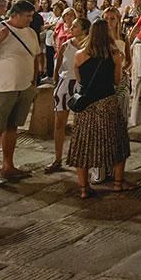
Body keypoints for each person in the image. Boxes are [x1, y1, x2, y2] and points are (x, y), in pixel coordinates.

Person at [0, 0, 43, 189]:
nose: (31, 19)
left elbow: (35, 56)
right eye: (28, 16)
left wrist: (34, 81)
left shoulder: (30, 32)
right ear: (14, 15)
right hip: (0, 88)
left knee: (12, 127)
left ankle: (8, 165)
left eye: (32, 15)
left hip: (23, 87)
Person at [67, 19, 130, 199]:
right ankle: (118, 183)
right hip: (107, 102)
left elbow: (79, 80)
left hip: (86, 106)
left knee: (83, 146)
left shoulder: (80, 54)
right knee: (117, 143)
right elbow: (117, 81)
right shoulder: (115, 55)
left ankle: (84, 188)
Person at [47, 16, 89, 174]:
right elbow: (57, 67)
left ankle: (80, 159)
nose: (71, 28)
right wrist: (56, 83)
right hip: (65, 84)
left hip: (81, 86)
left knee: (81, 125)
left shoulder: (89, 47)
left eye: (76, 26)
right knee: (59, 123)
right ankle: (57, 158)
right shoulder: (66, 45)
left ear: (84, 30)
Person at [42, 1, 64, 83]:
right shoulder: (51, 17)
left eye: (57, 9)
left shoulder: (61, 19)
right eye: (54, 8)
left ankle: (56, 76)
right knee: (49, 59)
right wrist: (51, 26)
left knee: (56, 59)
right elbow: (45, 26)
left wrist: (50, 26)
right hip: (48, 40)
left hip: (56, 41)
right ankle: (49, 75)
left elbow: (57, 28)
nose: (55, 10)